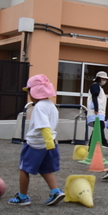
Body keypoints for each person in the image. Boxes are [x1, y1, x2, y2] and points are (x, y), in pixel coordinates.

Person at [9, 74, 65, 206]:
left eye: (29, 91)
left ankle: (22, 197)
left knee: (24, 168)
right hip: (49, 143)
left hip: (36, 144)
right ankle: (55, 191)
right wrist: (50, 142)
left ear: (34, 92)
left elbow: (44, 126)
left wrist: (48, 142)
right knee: (45, 169)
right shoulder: (52, 106)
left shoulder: (39, 107)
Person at [87, 71, 108, 148]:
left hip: (98, 111)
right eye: (103, 79)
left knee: (99, 127)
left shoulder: (98, 87)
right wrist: (96, 108)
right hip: (96, 111)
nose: (105, 81)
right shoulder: (95, 86)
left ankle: (92, 145)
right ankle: (103, 142)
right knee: (99, 127)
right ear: (99, 78)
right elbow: (95, 97)